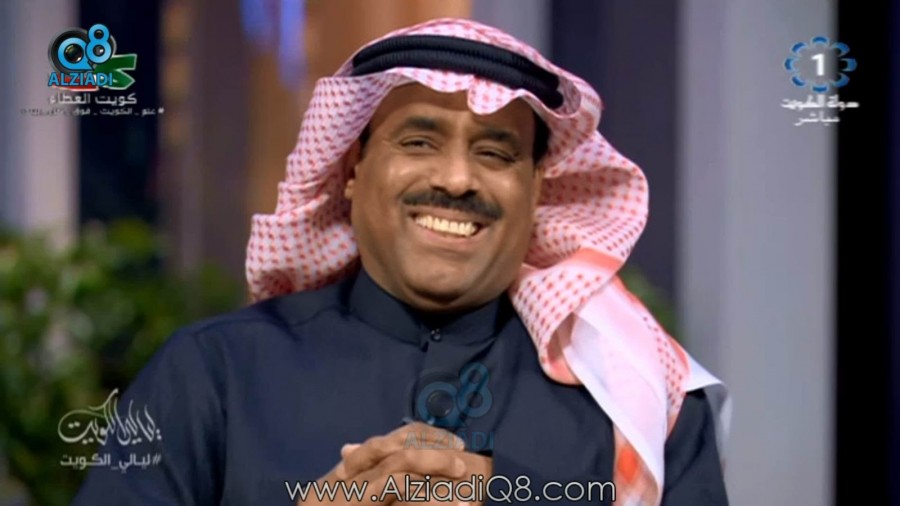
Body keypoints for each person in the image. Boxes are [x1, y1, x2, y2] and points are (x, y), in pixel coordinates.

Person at [71, 18, 730, 505]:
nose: (456, 179)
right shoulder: (211, 375)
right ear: (352, 169)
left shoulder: (637, 400)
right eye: (418, 142)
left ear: (536, 191)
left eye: (495, 153)